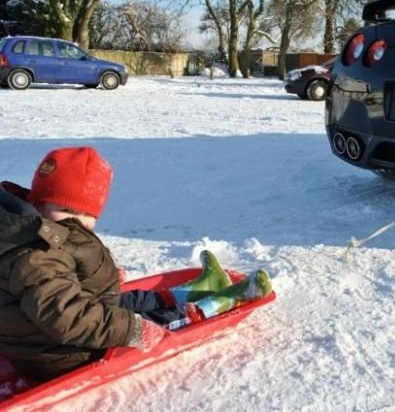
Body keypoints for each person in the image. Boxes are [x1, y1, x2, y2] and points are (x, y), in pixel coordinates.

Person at [0, 146, 272, 381]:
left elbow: (56, 279)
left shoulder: (37, 231)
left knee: (128, 300)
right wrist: (133, 330)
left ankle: (191, 291)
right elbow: (69, 317)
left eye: (87, 214)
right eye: (67, 210)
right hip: (63, 353)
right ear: (39, 203)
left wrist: (95, 279)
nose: (77, 221)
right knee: (148, 322)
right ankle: (212, 306)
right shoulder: (34, 255)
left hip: (50, 332)